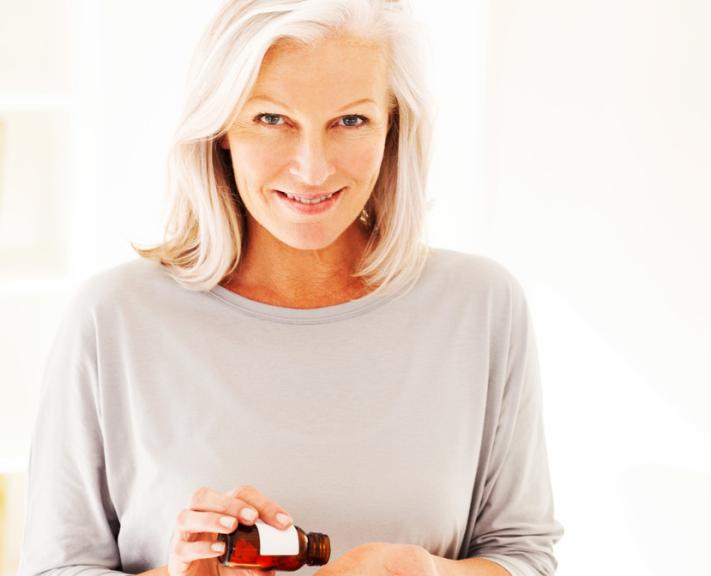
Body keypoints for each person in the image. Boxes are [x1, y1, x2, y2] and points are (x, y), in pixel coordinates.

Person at [15, 2, 564, 576]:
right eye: (272, 119)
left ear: (392, 126)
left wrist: (421, 571)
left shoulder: (480, 306)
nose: (312, 169)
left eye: (350, 121)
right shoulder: (115, 318)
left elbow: (523, 557)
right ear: (222, 127)